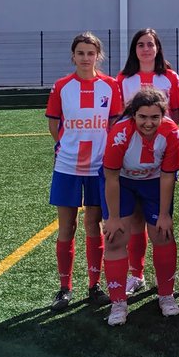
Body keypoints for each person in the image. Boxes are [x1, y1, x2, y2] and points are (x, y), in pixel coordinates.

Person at [44, 32, 122, 311]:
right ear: (73, 56)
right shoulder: (62, 86)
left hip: (99, 167)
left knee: (93, 225)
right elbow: (54, 124)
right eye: (81, 53)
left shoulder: (110, 86)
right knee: (67, 226)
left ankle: (93, 285)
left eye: (91, 53)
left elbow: (114, 123)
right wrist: (63, 145)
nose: (86, 58)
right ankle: (64, 288)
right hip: (67, 166)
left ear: (97, 56)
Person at [117, 28, 179, 295]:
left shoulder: (170, 77)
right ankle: (136, 276)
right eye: (141, 45)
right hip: (130, 161)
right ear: (134, 50)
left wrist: (164, 139)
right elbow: (118, 118)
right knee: (135, 222)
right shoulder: (124, 79)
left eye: (150, 44)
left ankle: (167, 283)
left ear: (158, 48)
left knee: (162, 220)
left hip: (162, 160)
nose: (146, 49)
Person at [101, 87, 179, 323]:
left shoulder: (171, 132)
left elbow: (168, 176)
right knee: (116, 236)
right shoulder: (120, 132)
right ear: (133, 115)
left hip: (154, 183)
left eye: (154, 117)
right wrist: (114, 217)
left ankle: (166, 295)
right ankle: (118, 303)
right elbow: (112, 177)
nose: (148, 123)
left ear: (163, 116)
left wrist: (165, 214)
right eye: (143, 117)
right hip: (123, 182)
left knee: (163, 233)